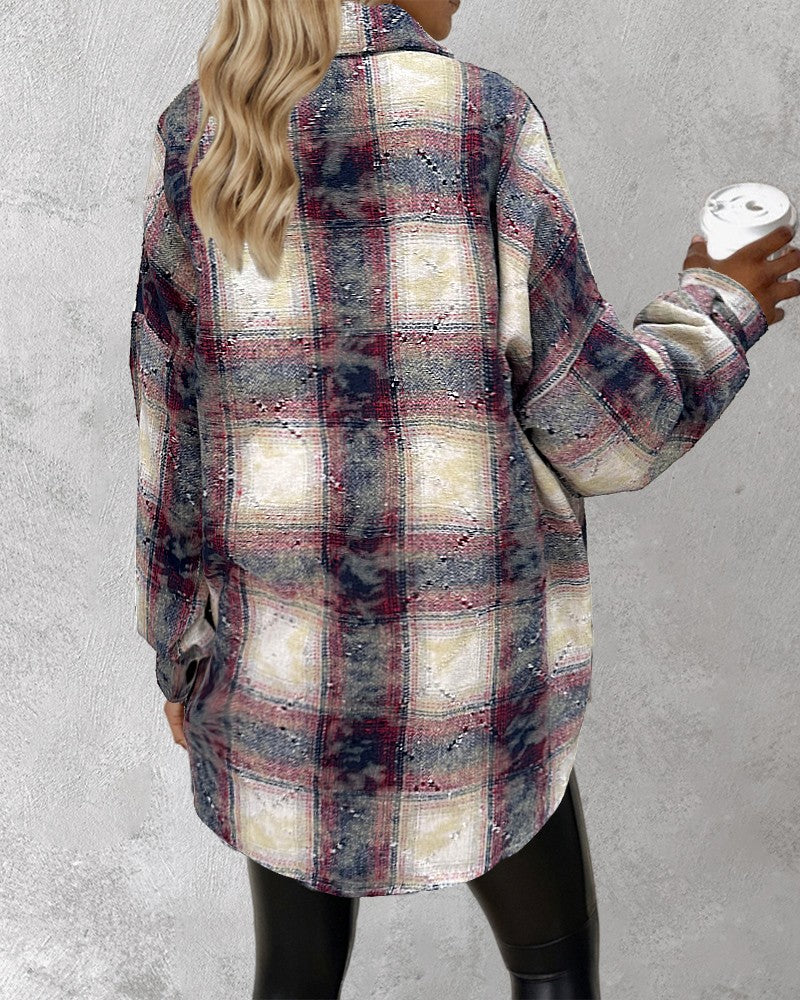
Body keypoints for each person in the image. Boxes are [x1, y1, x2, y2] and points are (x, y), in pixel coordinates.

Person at [128, 1, 800, 997]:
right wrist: (721, 298)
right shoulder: (484, 121)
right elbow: (600, 428)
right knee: (552, 973)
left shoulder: (203, 128)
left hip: (275, 679)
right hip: (472, 681)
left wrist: (181, 654)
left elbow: (169, 430)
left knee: (294, 977)